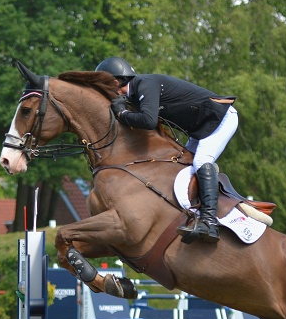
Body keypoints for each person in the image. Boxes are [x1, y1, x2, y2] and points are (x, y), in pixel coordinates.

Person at [95, 56, 238, 244]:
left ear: (115, 82)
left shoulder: (144, 85)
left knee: (201, 161)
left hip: (220, 119)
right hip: (200, 127)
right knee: (182, 165)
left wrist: (123, 114)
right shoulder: (133, 94)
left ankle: (209, 223)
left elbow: (148, 121)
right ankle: (193, 213)